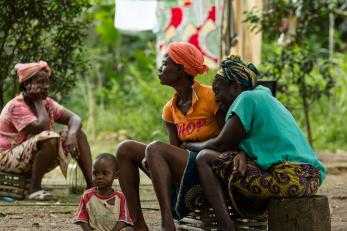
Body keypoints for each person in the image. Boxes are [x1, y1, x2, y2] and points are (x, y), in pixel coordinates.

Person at [182, 55, 327, 231]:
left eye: (218, 91)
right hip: (308, 177)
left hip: (291, 178)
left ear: (235, 88)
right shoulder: (266, 98)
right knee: (229, 162)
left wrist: (188, 145)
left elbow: (220, 145)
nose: (216, 100)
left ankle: (226, 226)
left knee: (205, 157)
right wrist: (242, 153)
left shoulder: (246, 99)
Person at [116, 42, 225, 231]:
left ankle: (167, 222)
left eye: (165, 63)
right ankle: (138, 224)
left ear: (181, 69)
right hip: (185, 171)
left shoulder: (210, 96)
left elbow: (226, 138)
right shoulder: (169, 109)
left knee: (155, 148)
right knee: (125, 148)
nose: (160, 68)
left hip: (209, 167)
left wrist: (159, 152)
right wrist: (152, 158)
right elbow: (175, 150)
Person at [0, 61, 93, 200]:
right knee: (49, 137)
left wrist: (72, 134)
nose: (46, 87)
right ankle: (34, 189)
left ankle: (92, 186)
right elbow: (43, 128)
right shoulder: (16, 106)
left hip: (29, 155)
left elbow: (75, 118)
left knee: (78, 133)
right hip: (6, 158)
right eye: (41, 83)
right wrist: (37, 101)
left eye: (47, 82)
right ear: (27, 85)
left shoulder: (47, 103)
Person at [74, 153, 133, 231]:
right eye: (95, 173)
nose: (99, 177)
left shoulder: (120, 197)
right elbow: (82, 218)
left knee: (129, 229)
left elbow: (124, 219)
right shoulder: (87, 195)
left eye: (105, 173)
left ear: (116, 175)